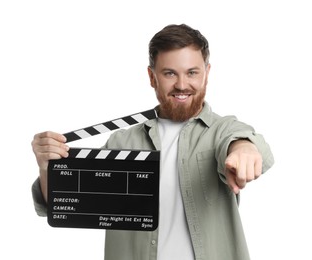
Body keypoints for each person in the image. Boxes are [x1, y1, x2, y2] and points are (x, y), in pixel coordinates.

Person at [31, 24, 274, 260]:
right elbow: (63, 205)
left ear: (207, 74)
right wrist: (46, 167)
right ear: (151, 76)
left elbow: (243, 140)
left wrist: (244, 149)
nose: (181, 84)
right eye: (170, 73)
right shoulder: (121, 141)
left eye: (192, 72)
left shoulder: (223, 129)